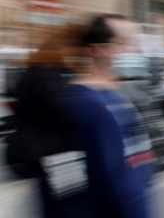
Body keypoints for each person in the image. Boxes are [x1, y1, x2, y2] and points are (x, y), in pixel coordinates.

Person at [7, 14, 155, 218]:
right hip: (58, 163)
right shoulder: (70, 87)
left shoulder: (37, 73)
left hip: (49, 161)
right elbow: (113, 173)